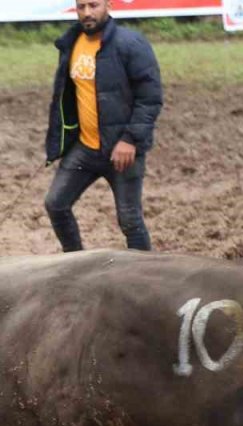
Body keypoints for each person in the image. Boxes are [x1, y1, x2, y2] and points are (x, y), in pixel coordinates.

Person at [44, 0, 163, 252]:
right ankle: (75, 261)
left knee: (130, 221)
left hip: (122, 151)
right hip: (85, 148)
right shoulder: (71, 44)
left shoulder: (130, 44)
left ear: (108, 5)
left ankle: (145, 276)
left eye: (94, 5)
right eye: (81, 6)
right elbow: (64, 97)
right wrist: (60, 141)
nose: (87, 13)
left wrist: (130, 140)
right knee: (55, 204)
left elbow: (150, 98)